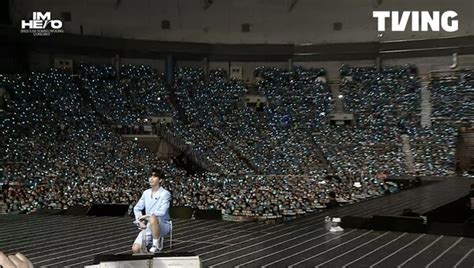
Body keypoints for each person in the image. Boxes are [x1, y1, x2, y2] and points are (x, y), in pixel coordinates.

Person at [131, 169, 171, 254]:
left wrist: (146, 216)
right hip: (148, 225)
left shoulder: (165, 193)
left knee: (153, 218)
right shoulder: (146, 193)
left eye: (155, 176)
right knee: (135, 249)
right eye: (150, 176)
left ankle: (155, 244)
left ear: (160, 180)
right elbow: (137, 208)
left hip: (162, 224)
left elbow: (162, 212)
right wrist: (139, 221)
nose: (151, 179)